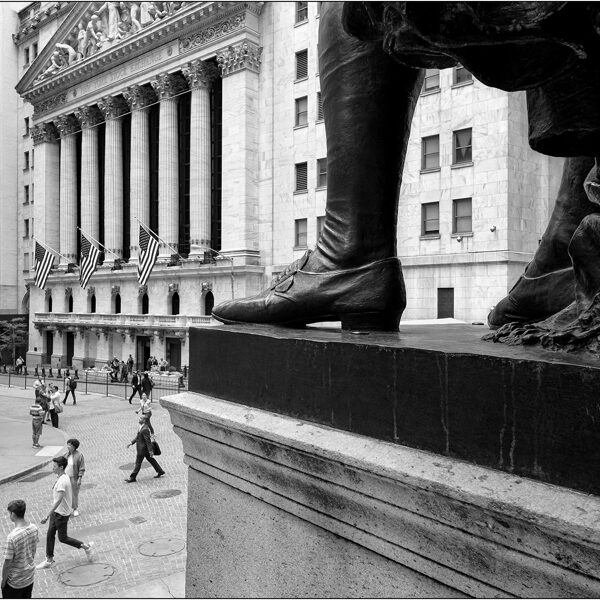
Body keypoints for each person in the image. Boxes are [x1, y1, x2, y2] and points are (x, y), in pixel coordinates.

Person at [36, 457, 94, 569]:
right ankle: (49, 559)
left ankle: (86, 547)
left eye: (54, 466)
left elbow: (59, 500)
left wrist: (47, 515)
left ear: (61, 467)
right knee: (50, 534)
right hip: (57, 513)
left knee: (63, 538)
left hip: (61, 514)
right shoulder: (62, 477)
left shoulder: (62, 481)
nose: (52, 468)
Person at [1, 500, 39, 599]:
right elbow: (33, 551)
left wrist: (3, 581)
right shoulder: (34, 528)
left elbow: (7, 563)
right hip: (29, 577)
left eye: (9, 513)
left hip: (15, 582)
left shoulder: (12, 537)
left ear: (13, 514)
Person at [125, 415, 164, 483]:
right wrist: (131, 443)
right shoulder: (141, 427)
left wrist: (151, 451)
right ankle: (160, 471)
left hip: (142, 450)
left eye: (140, 418)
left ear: (144, 420)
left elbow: (148, 441)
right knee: (151, 460)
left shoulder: (145, 429)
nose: (139, 419)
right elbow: (138, 437)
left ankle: (132, 477)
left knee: (138, 463)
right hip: (144, 450)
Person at [64, 439, 85, 518]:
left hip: (74, 478)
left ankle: (75, 508)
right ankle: (67, 509)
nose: (68, 447)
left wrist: (79, 478)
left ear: (74, 446)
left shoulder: (79, 455)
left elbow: (82, 467)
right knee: (66, 493)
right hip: (66, 477)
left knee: (74, 494)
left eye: (69, 445)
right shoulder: (66, 455)